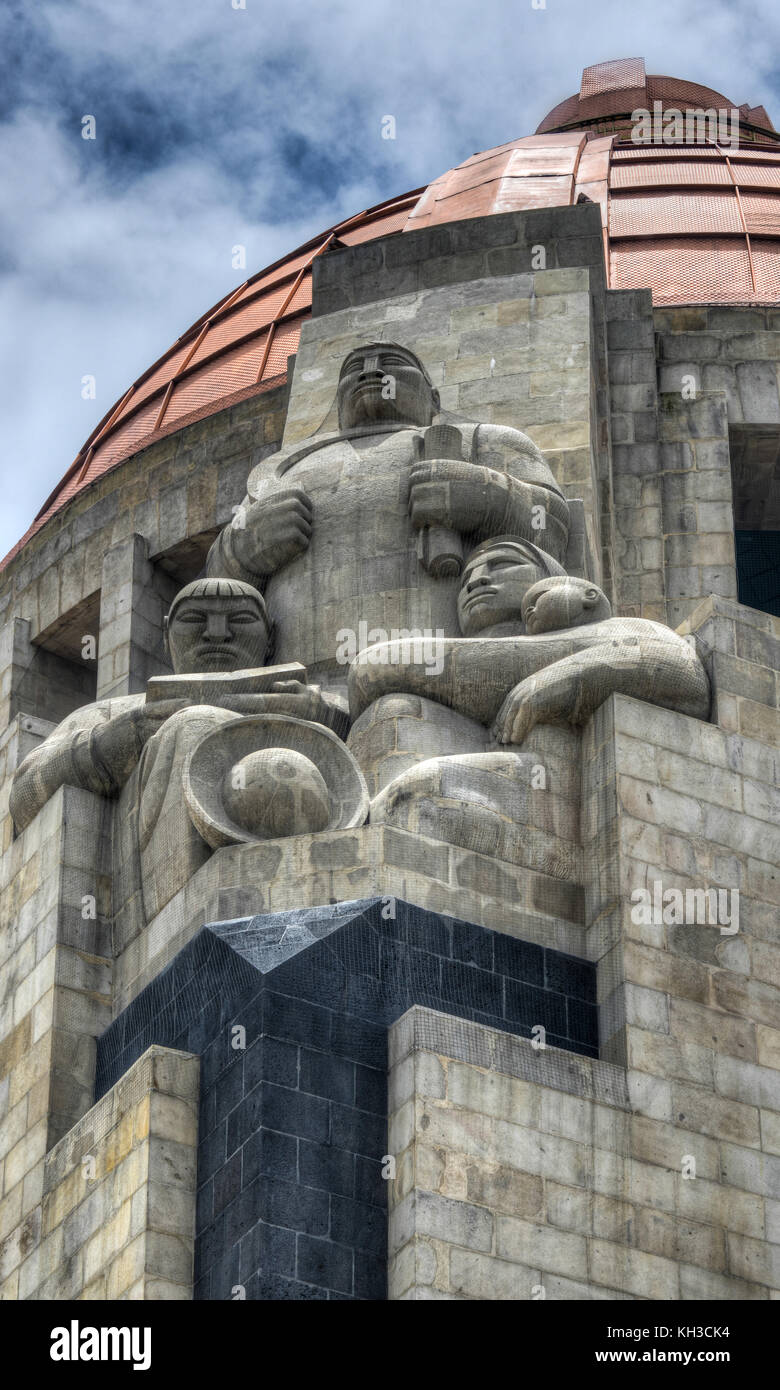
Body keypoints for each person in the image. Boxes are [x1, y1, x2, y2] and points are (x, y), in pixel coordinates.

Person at [205, 343, 571, 680]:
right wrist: (242, 545)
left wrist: (485, 494)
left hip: (440, 668)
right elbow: (215, 584)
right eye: (355, 369)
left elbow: (554, 531)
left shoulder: (484, 440)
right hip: (294, 682)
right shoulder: (282, 471)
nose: (370, 373)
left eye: (392, 363)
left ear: (434, 399)